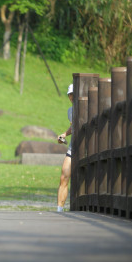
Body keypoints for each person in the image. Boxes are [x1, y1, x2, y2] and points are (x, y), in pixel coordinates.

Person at [56, 84, 74, 212]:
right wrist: (64, 134)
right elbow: (74, 126)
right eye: (69, 94)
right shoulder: (70, 111)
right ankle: (59, 209)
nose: (71, 97)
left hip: (88, 148)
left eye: (73, 94)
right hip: (73, 147)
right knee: (64, 175)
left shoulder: (91, 107)